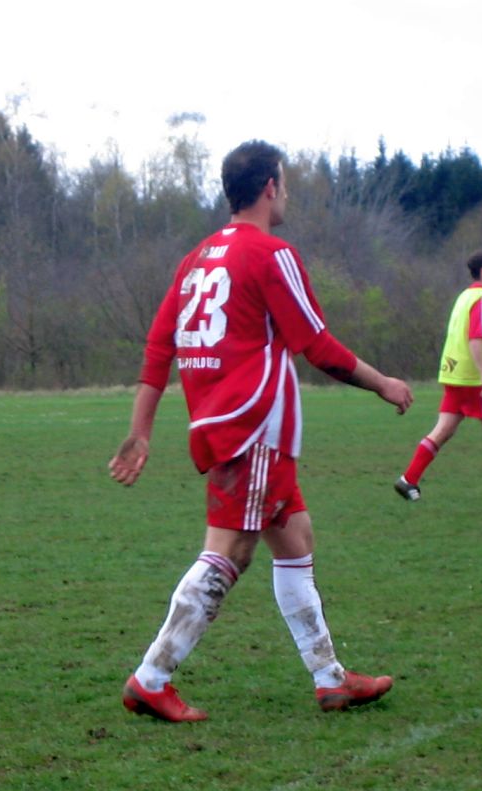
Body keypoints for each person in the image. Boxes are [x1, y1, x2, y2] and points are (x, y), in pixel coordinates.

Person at [109, 140, 414, 722]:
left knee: (294, 537)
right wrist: (383, 383)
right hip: (253, 426)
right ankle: (151, 677)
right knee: (230, 550)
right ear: (270, 187)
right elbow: (317, 346)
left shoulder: (197, 258)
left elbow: (158, 347)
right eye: (286, 184)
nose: (287, 194)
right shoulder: (272, 254)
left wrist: (140, 429)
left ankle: (330, 678)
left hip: (222, 421)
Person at [393, 249, 482, 502]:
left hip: (455, 375)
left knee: (443, 429)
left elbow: (467, 339)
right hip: (475, 381)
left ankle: (408, 479)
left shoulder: (465, 296)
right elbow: (476, 338)